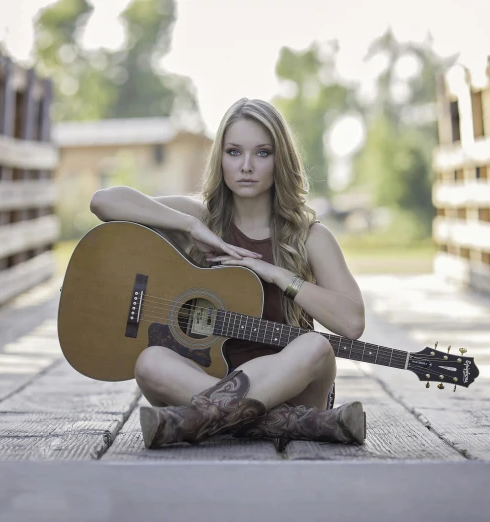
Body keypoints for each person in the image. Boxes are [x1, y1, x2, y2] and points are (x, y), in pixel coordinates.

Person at [89, 98, 366, 449]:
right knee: (149, 362)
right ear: (219, 157)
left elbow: (353, 323)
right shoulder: (202, 219)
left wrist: (280, 276)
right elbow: (103, 202)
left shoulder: (310, 236)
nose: (246, 166)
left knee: (315, 346)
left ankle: (201, 420)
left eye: (262, 153)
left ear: (280, 159)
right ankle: (294, 425)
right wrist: (189, 225)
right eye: (234, 152)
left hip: (295, 389)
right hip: (208, 379)